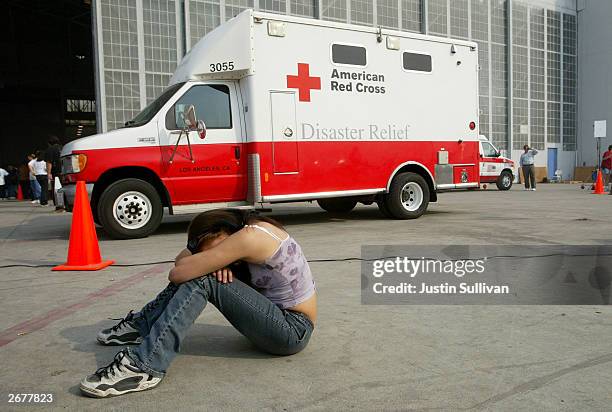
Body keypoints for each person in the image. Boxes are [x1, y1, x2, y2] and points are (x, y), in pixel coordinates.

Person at [79, 209, 317, 398]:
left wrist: (207, 263)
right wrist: (212, 260)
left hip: (291, 331)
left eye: (213, 249)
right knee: (200, 271)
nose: (217, 254)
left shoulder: (249, 237)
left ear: (220, 231)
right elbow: (181, 259)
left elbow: (177, 274)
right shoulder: (243, 228)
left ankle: (145, 366)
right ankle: (141, 326)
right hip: (274, 319)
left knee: (202, 277)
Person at [45, 135, 64, 210]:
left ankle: (59, 205)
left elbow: (49, 162)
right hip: (65, 171)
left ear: (49, 143)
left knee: (56, 188)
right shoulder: (63, 148)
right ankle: (66, 204)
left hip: (56, 172)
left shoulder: (50, 150)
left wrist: (49, 173)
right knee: (64, 187)